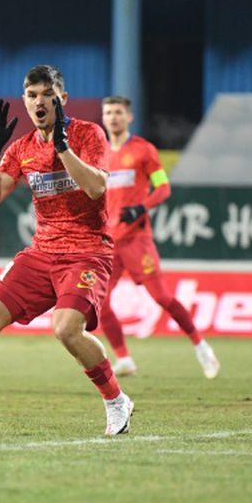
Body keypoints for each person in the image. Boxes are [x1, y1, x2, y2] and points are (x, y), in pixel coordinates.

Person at [0, 65, 135, 436]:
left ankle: (116, 401)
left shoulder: (88, 134)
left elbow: (96, 188)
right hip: (41, 252)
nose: (39, 102)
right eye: (32, 95)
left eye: (47, 94)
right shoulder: (22, 148)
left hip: (87, 251)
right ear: (25, 101)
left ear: (62, 99)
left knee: (66, 329)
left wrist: (63, 148)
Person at [97, 95, 220, 379]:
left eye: (118, 112)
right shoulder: (98, 153)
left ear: (129, 117)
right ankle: (124, 358)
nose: (113, 117)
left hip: (136, 239)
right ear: (103, 118)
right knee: (99, 302)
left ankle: (200, 345)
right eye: (108, 112)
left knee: (162, 297)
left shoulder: (143, 149)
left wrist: (142, 207)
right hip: (108, 241)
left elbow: (163, 188)